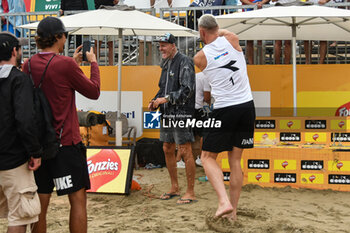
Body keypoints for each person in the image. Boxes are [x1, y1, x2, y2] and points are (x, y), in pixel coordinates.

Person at [22, 16, 100, 233]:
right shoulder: (65, 64)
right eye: (65, 35)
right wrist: (93, 62)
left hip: (39, 146)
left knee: (40, 204)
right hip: (65, 144)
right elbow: (94, 91)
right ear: (58, 37)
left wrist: (72, 65)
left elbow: (49, 85)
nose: (66, 39)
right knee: (77, 200)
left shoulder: (28, 65)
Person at [194, 14, 255, 220]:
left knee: (207, 157)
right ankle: (233, 213)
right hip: (247, 105)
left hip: (225, 108)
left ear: (202, 32)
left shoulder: (199, 58)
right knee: (235, 160)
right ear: (217, 28)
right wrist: (216, 31)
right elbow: (223, 33)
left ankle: (223, 202)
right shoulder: (233, 39)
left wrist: (208, 34)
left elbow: (209, 48)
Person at [0, 32, 42, 233]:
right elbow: (25, 120)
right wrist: (35, 151)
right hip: (13, 159)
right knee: (19, 216)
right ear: (14, 51)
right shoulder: (19, 79)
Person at [148, 32, 197, 204]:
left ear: (173, 45)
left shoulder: (185, 61)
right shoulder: (166, 63)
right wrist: (155, 100)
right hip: (167, 112)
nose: (161, 48)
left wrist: (165, 99)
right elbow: (162, 89)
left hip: (182, 113)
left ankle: (190, 192)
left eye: (164, 45)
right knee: (167, 148)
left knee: (185, 150)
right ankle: (174, 187)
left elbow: (187, 90)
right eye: (159, 45)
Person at [240, 0, 270, 65]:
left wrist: (261, 3)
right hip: (248, 12)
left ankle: (261, 63)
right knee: (249, 40)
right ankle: (251, 64)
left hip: (262, 12)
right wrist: (252, 4)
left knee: (261, 40)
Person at [93, 0, 120, 66]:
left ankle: (111, 66)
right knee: (97, 44)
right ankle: (95, 66)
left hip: (111, 15)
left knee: (111, 44)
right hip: (99, 15)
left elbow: (116, 1)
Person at [193, 72, 211, 167]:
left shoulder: (197, 75)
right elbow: (207, 97)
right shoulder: (206, 77)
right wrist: (210, 105)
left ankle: (179, 159)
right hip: (199, 109)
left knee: (188, 136)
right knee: (204, 135)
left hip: (190, 108)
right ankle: (201, 158)